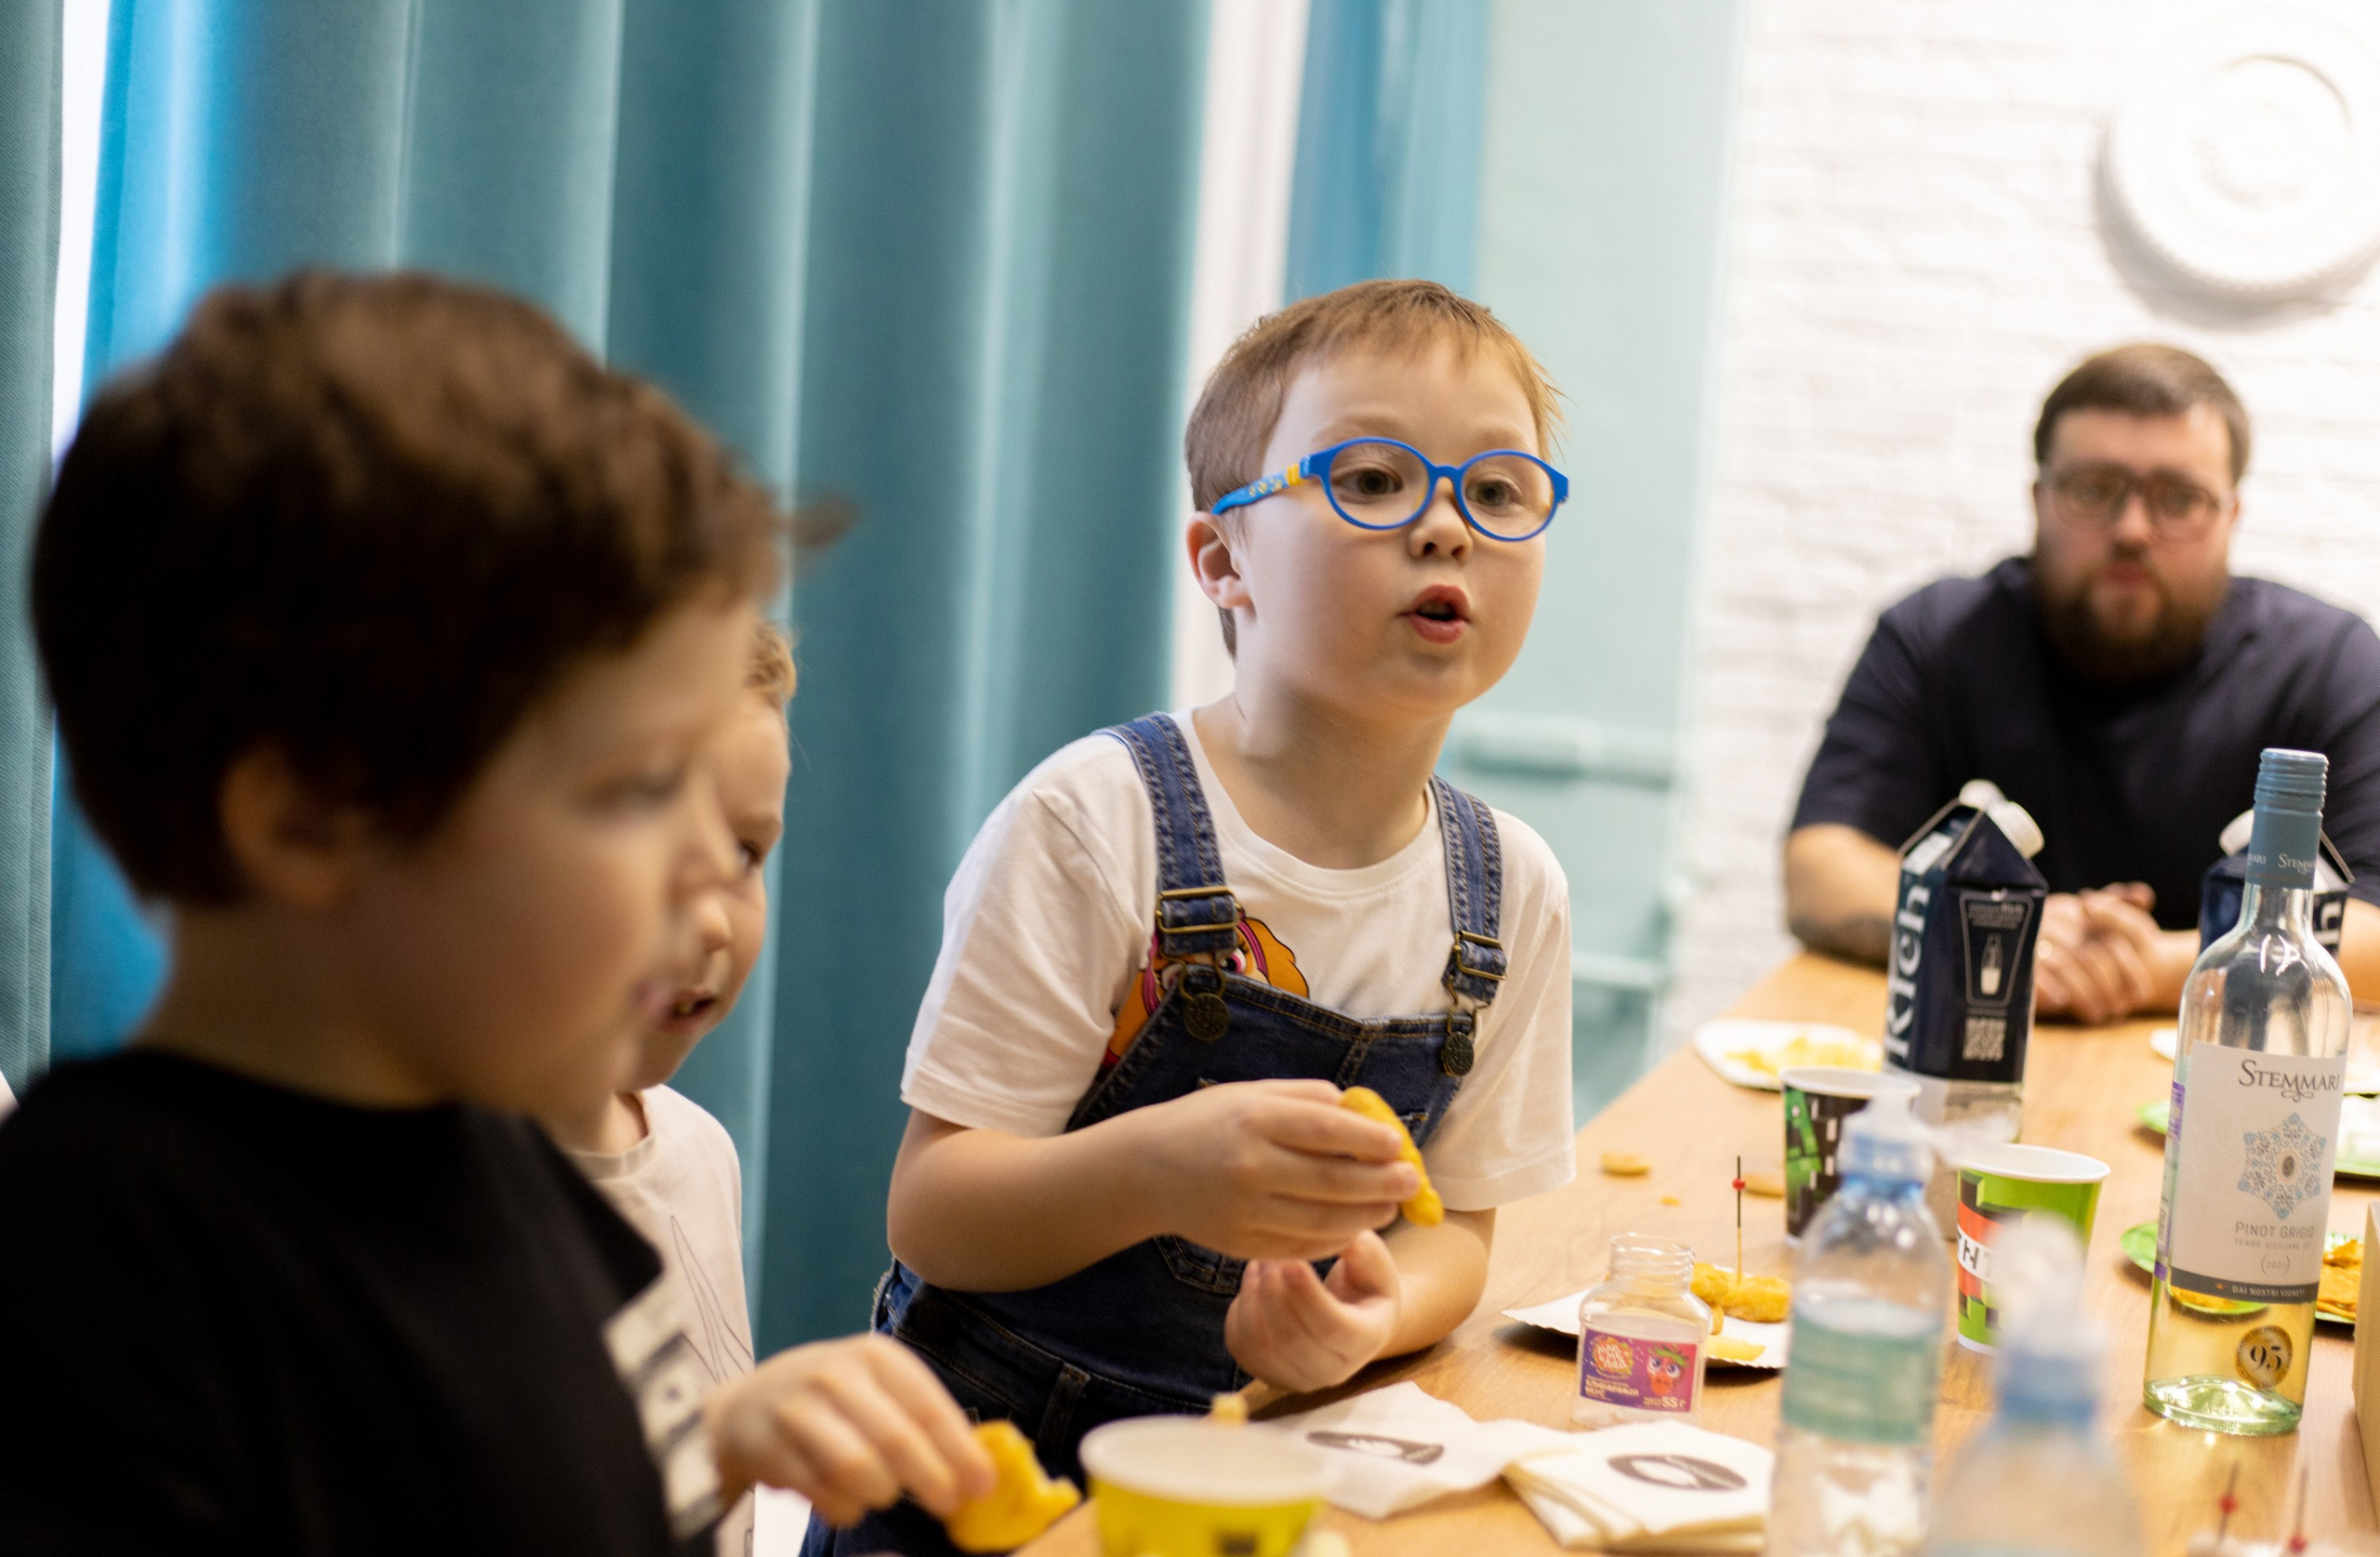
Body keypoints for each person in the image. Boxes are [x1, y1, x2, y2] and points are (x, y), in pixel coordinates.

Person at [0, 272, 991, 1556]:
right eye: (637, 789)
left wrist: (721, 1446)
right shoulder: (96, 1264)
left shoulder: (531, 1186)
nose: (711, 875)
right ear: (308, 818)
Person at [809, 280, 1580, 1556]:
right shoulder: (1093, 820)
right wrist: (1164, 1168)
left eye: (1498, 492)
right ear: (1224, 561)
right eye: (1373, 479)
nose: (1446, 525)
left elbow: (1455, 1230)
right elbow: (935, 1209)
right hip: (978, 1486)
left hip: (1248, 1479)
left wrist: (1369, 1316)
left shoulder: (1511, 893)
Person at [1786, 343, 2380, 1022]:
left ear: (2231, 516)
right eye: (2094, 489)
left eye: (2179, 498)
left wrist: (2160, 969)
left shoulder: (2326, 663)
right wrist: (2003, 932)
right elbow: (1819, 867)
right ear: (2038, 499)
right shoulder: (1934, 635)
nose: (2131, 529)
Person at [542, 621, 797, 1557]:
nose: (716, 925)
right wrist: (721, 1450)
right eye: (659, 852)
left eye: (745, 856)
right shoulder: (436, 1214)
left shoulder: (699, 1152)